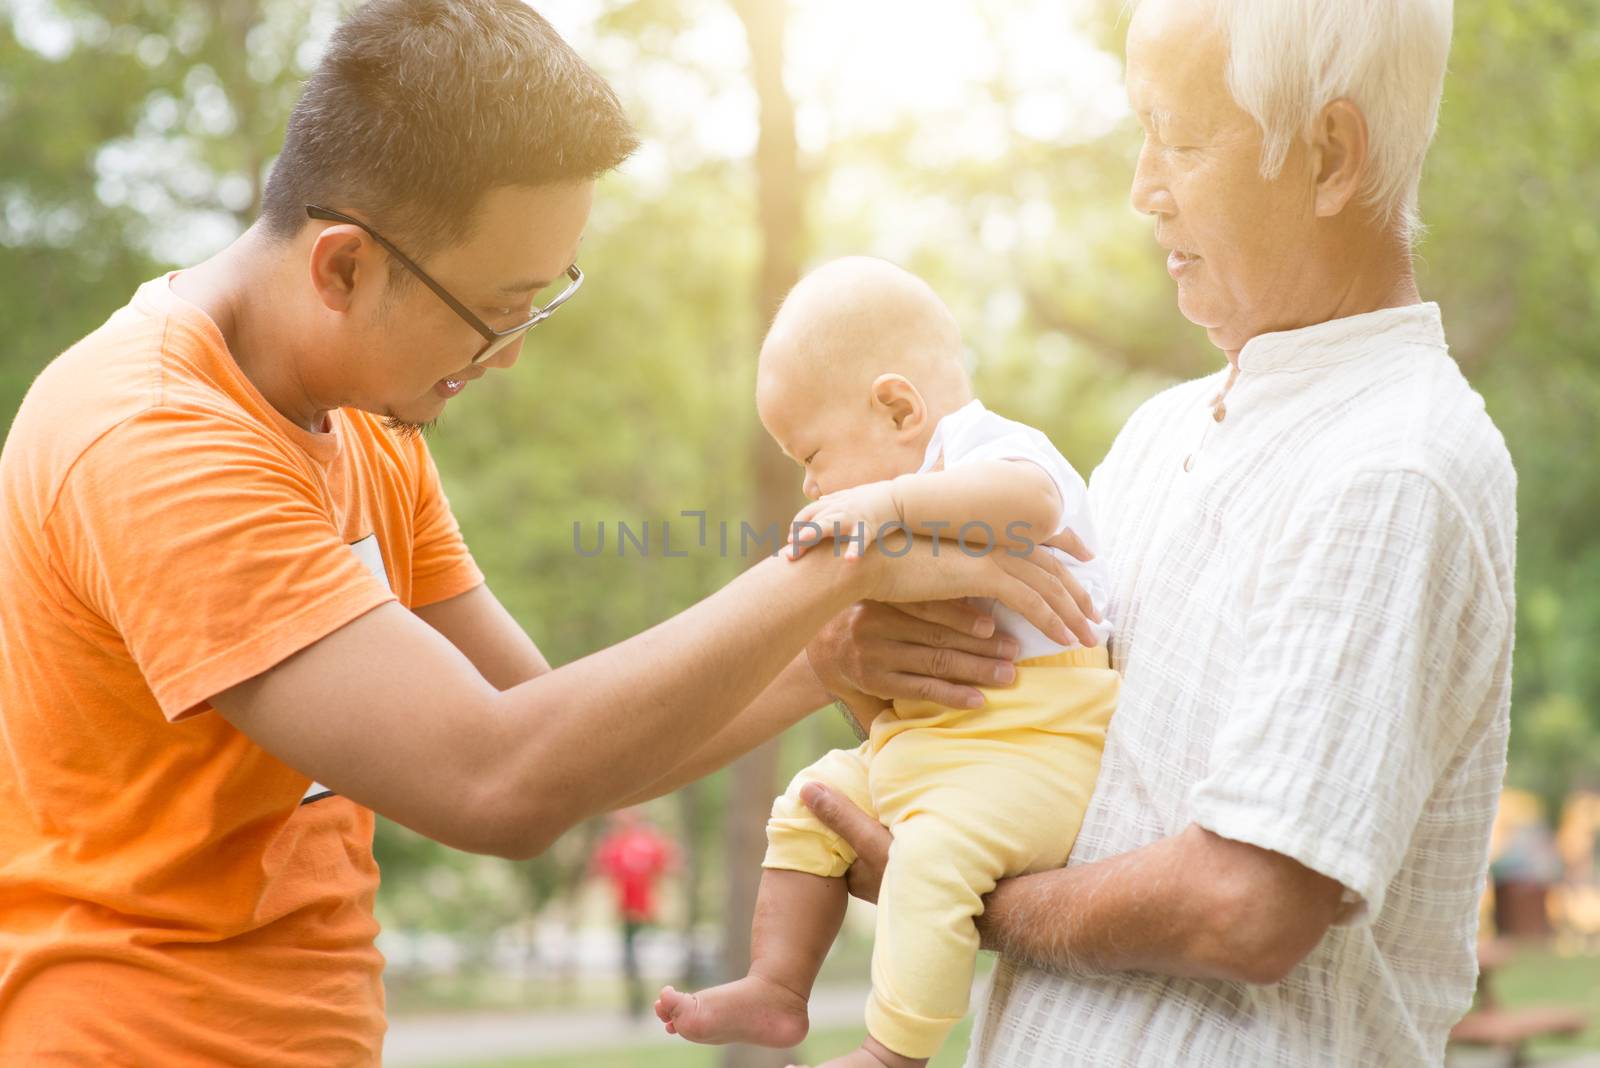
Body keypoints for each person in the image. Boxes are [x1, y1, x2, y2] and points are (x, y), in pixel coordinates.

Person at [0, 2, 1093, 1063]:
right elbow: (495, 784)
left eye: (542, 300)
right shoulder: (153, 442)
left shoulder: (368, 430)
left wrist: (827, 657)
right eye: (499, 306)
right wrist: (842, 557)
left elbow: (562, 745)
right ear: (343, 265)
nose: (512, 351)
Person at [792, 0, 1518, 1064]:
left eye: (1178, 138)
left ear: (1327, 153)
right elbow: (1045, 737)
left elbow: (1247, 906)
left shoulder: (1395, 465)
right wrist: (865, 654)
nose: (1143, 188)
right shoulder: (1158, 435)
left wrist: (952, 894)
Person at [654, 258, 1117, 1068]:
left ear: (898, 405)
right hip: (940, 745)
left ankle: (893, 1053)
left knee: (931, 861)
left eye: (814, 454)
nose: (810, 486)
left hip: (1033, 747)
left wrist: (886, 507)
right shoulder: (914, 504)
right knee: (809, 800)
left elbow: (1033, 503)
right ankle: (776, 984)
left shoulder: (991, 448)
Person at [593, 810, 676, 1019]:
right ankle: (636, 1002)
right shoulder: (615, 844)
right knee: (630, 961)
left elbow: (665, 866)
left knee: (643, 958)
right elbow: (605, 872)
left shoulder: (645, 843)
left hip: (645, 911)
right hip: (626, 912)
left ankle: (651, 1001)